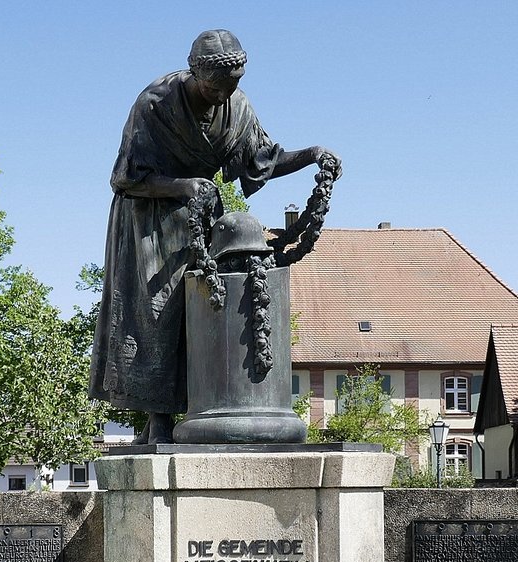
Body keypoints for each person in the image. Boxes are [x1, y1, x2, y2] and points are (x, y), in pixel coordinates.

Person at [89, 28, 339, 444]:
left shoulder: (236, 107)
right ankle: (157, 422)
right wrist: (184, 186)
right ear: (195, 74)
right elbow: (126, 177)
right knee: (157, 312)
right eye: (216, 86)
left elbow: (260, 162)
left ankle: (206, 405)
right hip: (149, 218)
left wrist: (311, 155)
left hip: (202, 217)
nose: (225, 94)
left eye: (233, 84)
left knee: (206, 306)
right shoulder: (154, 104)